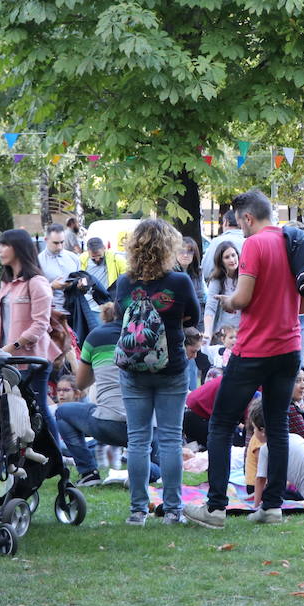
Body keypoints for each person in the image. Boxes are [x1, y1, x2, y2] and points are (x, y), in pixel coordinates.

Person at [186, 190, 304, 529]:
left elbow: (242, 298)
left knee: (221, 423)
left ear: (247, 218)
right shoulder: (293, 242)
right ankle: (272, 506)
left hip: (255, 349)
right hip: (288, 348)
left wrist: (227, 302)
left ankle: (214, 509)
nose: (239, 231)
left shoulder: (255, 244)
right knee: (278, 424)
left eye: (239, 223)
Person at [112, 218, 200, 526]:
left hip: (134, 368)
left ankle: (138, 511)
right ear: (167, 247)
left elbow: (121, 315)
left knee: (137, 440)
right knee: (170, 439)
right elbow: (193, 318)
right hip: (171, 366)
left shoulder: (125, 283)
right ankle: (173, 510)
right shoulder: (179, 282)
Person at [55, 302, 162, 486]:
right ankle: (146, 471)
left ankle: (88, 472)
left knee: (62, 413)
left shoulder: (97, 337)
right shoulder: (150, 335)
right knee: (157, 463)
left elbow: (81, 383)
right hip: (148, 424)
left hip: (109, 423)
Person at [0, 228, 64, 451]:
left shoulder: (36, 282)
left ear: (19, 248)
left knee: (37, 407)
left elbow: (41, 324)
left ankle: (58, 455)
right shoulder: (7, 283)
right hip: (7, 357)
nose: (0, 250)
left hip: (32, 358)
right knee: (14, 410)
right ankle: (24, 454)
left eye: (5, 245)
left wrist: (13, 346)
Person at [37, 225, 81, 317]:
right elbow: (34, 292)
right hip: (51, 314)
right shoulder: (38, 262)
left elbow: (81, 283)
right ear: (46, 240)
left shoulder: (73, 258)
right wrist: (52, 286)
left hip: (75, 311)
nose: (60, 246)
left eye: (62, 242)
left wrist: (82, 285)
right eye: (56, 243)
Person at [202, 241, 240, 339]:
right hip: (225, 333)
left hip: (244, 330)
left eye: (233, 255)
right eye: (227, 257)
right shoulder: (217, 279)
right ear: (221, 261)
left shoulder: (245, 277)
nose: (232, 259)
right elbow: (210, 307)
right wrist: (207, 332)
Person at [82, 237, 126, 312]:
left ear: (104, 248)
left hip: (108, 305)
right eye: (93, 257)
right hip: (88, 306)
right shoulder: (82, 260)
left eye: (99, 256)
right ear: (88, 251)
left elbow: (126, 278)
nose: (97, 259)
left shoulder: (116, 260)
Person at [202, 208, 245, 272]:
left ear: (226, 222)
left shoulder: (217, 241)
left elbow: (206, 269)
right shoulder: (250, 240)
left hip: (222, 280)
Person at [177, 236, 206, 307]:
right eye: (181, 251)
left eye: (189, 251)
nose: (185, 255)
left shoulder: (198, 272)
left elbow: (203, 296)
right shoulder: (169, 273)